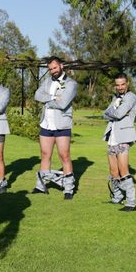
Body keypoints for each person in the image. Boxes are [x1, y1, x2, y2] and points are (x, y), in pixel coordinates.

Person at [32, 56, 78, 199]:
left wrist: (47, 101)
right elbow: (37, 95)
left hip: (62, 124)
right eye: (50, 69)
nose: (53, 71)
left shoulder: (71, 83)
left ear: (61, 66)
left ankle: (68, 188)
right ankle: (41, 185)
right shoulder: (46, 81)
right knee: (45, 155)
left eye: (55, 68)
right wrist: (53, 98)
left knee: (64, 156)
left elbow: (63, 103)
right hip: (46, 123)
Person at [102, 73, 136, 212]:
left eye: (122, 84)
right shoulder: (115, 98)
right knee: (113, 171)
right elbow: (104, 114)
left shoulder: (131, 97)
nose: (120, 87)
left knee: (123, 170)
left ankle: (131, 202)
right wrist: (112, 111)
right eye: (117, 85)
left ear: (127, 83)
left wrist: (112, 111)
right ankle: (117, 197)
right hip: (112, 136)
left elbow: (118, 114)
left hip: (124, 137)